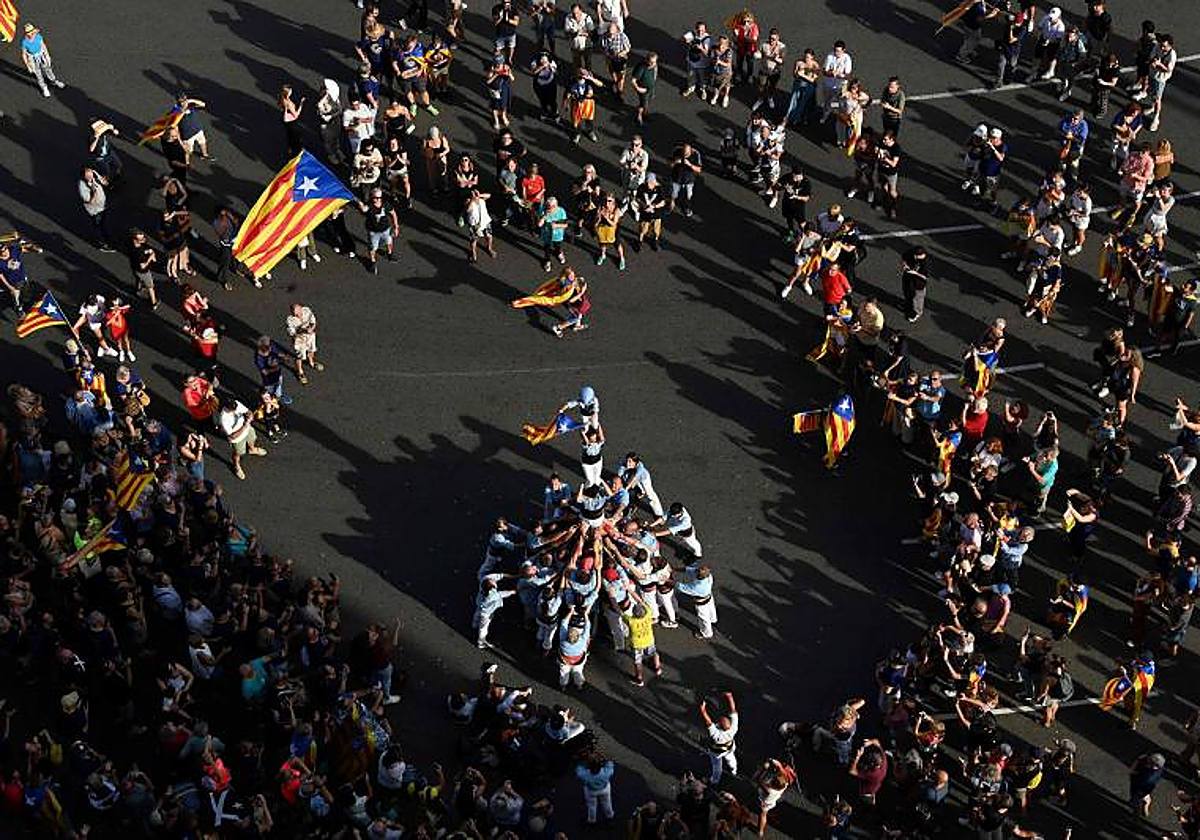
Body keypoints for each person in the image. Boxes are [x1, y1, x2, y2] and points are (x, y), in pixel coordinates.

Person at [217, 398, 267, 481]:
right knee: (238, 453)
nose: (237, 410)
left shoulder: (236, 404)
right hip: (237, 438)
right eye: (234, 410)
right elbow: (232, 436)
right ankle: (236, 466)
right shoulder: (223, 418)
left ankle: (252, 449)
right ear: (228, 409)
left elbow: (248, 411)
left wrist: (250, 416)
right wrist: (245, 426)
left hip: (247, 428)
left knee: (252, 438)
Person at [699, 692, 738, 784]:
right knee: (731, 759)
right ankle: (734, 771)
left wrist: (703, 709)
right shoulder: (733, 728)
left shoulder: (716, 734)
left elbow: (708, 721)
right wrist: (730, 697)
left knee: (716, 766)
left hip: (717, 752)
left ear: (720, 726)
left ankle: (715, 780)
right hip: (729, 748)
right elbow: (733, 710)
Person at [20, 23, 66, 98]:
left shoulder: (38, 37)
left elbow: (43, 46)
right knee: (38, 74)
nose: (32, 34)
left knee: (48, 69)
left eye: (33, 32)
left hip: (42, 56)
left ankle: (54, 81)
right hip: (33, 59)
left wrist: (47, 55)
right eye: (30, 33)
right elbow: (24, 54)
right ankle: (44, 88)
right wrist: (28, 65)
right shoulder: (25, 42)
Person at [360, 187, 400, 274]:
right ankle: (372, 262)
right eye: (375, 197)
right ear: (371, 197)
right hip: (373, 232)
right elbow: (364, 209)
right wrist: (362, 207)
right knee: (372, 247)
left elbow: (393, 213)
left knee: (389, 242)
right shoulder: (369, 205)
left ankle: (389, 254)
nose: (377, 200)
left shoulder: (386, 205)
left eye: (379, 198)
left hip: (386, 229)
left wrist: (396, 226)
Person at [78, 167, 115, 252]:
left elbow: (105, 183)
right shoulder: (82, 186)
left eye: (91, 175)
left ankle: (105, 236)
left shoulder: (94, 175)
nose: (91, 177)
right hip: (95, 210)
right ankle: (102, 244)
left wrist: (101, 179)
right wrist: (93, 190)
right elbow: (89, 201)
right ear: (83, 177)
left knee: (102, 224)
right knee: (98, 226)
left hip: (102, 206)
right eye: (88, 176)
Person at [286, 303, 323, 384]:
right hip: (299, 340)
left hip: (310, 336)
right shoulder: (290, 320)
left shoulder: (306, 310)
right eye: (294, 314)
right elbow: (293, 333)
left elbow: (313, 321)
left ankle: (311, 362)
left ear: (301, 309)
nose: (296, 315)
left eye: (297, 313)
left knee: (312, 350)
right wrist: (304, 331)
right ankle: (300, 372)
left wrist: (312, 328)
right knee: (300, 356)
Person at [575, 754, 615, 824]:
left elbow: (579, 769)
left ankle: (592, 820)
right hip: (605, 789)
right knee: (607, 803)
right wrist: (606, 760)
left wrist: (583, 762)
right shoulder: (606, 772)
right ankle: (609, 815)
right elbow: (610, 765)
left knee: (591, 806)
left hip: (591, 791)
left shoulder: (584, 775)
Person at [668, 141, 702, 218]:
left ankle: (686, 207)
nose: (684, 156)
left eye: (686, 155)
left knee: (688, 195)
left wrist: (689, 164)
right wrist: (675, 162)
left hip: (689, 180)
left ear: (690, 151)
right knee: (673, 193)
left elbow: (699, 169)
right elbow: (669, 164)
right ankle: (672, 204)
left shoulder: (696, 154)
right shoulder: (676, 151)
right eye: (683, 154)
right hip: (676, 178)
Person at [128, 229, 160, 309]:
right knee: (150, 287)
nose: (144, 239)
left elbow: (139, 252)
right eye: (141, 239)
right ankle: (154, 303)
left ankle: (138, 290)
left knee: (138, 279)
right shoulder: (139, 254)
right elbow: (143, 266)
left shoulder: (132, 245)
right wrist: (150, 257)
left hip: (134, 268)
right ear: (135, 240)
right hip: (143, 271)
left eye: (143, 237)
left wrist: (146, 251)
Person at [1129, 752, 1166, 818]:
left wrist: (1138, 760)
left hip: (1137, 788)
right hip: (1147, 789)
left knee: (1135, 801)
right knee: (1146, 796)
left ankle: (1137, 813)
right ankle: (1145, 806)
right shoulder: (1159, 770)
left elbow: (1131, 771)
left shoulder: (1145, 773)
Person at [901, 246, 928, 322]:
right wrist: (904, 265)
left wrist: (915, 273)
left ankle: (917, 312)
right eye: (915, 255)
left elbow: (925, 277)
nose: (915, 257)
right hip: (908, 278)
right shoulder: (910, 253)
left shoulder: (925, 263)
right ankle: (907, 304)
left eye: (917, 256)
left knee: (917, 298)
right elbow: (904, 257)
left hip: (919, 283)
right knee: (907, 292)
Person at [278, 84, 305, 158]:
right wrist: (301, 105)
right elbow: (296, 115)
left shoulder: (282, 99)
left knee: (290, 136)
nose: (291, 91)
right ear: (287, 93)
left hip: (286, 121)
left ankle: (291, 150)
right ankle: (297, 153)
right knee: (296, 137)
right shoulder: (289, 103)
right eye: (290, 91)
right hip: (292, 122)